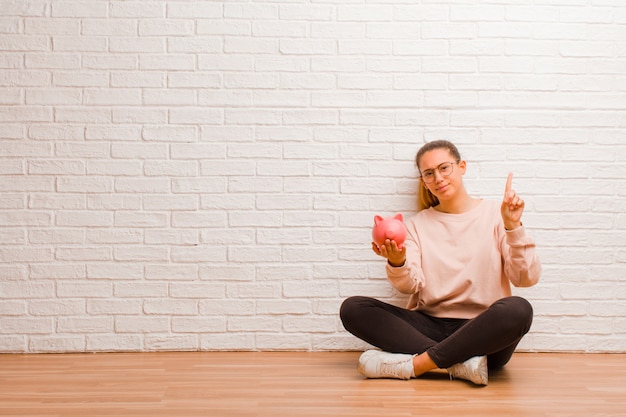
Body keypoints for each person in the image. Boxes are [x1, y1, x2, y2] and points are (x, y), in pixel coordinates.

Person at [340, 140, 541, 385]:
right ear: (423, 180)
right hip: (428, 326)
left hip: (483, 333)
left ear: (462, 166)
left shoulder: (496, 215)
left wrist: (513, 227)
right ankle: (462, 364)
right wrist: (398, 261)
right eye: (429, 173)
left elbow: (525, 278)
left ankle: (417, 365)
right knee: (353, 308)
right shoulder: (415, 225)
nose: (438, 178)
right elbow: (409, 286)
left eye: (444, 168)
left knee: (519, 309)